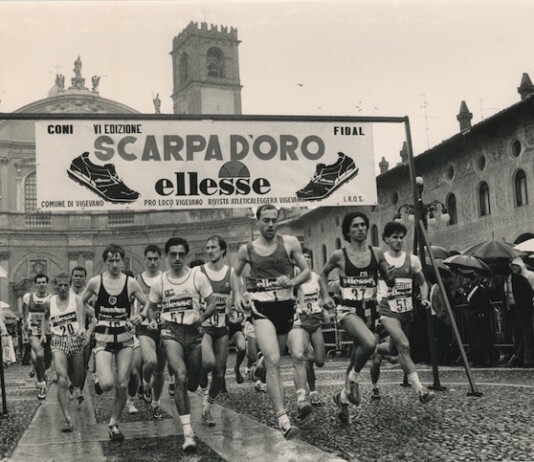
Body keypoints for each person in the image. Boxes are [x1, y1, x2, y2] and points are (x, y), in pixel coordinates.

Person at [233, 204, 310, 439]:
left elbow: (306, 271)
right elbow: (236, 273)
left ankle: (260, 365)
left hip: (285, 307)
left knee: (278, 357)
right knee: (274, 360)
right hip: (261, 308)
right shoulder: (247, 249)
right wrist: (237, 295)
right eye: (265, 220)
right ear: (257, 222)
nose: (270, 224)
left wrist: (293, 281)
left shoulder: (290, 243)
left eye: (274, 220)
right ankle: (283, 419)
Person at [320, 211, 395, 423]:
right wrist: (325, 296)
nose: (361, 229)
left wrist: (391, 277)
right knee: (370, 343)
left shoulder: (377, 253)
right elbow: (323, 275)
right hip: (347, 310)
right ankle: (353, 380)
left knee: (355, 357)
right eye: (355, 226)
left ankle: (342, 400)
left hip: (369, 311)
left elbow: (388, 278)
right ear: (347, 231)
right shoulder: (339, 255)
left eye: (363, 225)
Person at [144, 237, 216, 452]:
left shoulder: (197, 277)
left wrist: (201, 318)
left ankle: (193, 384)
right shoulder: (160, 282)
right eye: (173, 254)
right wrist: (152, 320)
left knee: (191, 384)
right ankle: (187, 433)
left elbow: (212, 304)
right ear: (167, 256)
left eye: (181, 254)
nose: (177, 258)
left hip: (193, 333)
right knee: (180, 377)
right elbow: (151, 307)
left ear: (186, 256)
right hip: (171, 332)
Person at [82, 244, 146, 441]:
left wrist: (141, 316)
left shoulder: (131, 283)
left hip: (125, 340)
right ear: (105, 262)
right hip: (103, 340)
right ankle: (99, 379)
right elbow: (80, 302)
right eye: (111, 260)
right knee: (108, 384)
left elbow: (148, 303)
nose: (115, 264)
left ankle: (114, 424)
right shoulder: (96, 282)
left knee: (122, 384)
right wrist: (92, 317)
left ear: (122, 261)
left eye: (118, 260)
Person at [376, 222, 435, 403]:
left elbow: (423, 282)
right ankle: (420, 390)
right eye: (395, 237)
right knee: (405, 345)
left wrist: (424, 297)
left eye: (401, 237)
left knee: (394, 350)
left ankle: (375, 348)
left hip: (406, 311)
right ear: (386, 239)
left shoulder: (413, 260)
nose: (399, 240)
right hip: (388, 311)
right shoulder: (380, 260)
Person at [41, 273, 86, 432]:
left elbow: (82, 317)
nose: (62, 288)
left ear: (69, 285)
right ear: (55, 286)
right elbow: (45, 317)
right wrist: (43, 333)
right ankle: (67, 417)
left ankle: (76, 388)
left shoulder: (77, 299)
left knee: (78, 378)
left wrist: (82, 329)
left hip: (75, 341)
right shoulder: (50, 302)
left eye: (65, 285)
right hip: (58, 341)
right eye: (59, 285)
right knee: (62, 379)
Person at [196, 236, 233, 426]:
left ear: (223, 250)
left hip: (222, 328)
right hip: (204, 327)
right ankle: (201, 373)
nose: (210, 251)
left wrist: (238, 308)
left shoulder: (231, 274)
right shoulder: (199, 271)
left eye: (214, 247)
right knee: (209, 363)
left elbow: (236, 298)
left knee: (219, 372)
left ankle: (207, 409)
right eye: (208, 247)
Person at [287, 247, 328, 415]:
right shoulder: (295, 280)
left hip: (316, 320)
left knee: (320, 360)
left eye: (308, 257)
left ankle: (309, 374)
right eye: (303, 257)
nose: (307, 260)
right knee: (306, 358)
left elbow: (323, 298)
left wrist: (324, 308)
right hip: (301, 321)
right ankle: (311, 392)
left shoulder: (317, 278)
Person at [134, 245, 166, 418]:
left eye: (155, 259)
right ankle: (145, 382)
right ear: (145, 259)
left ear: (160, 260)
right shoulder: (137, 280)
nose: (153, 262)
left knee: (160, 371)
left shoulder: (166, 279)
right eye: (149, 259)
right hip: (145, 327)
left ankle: (156, 403)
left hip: (164, 327)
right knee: (151, 362)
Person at [22, 273, 52, 400]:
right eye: (39, 282)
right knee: (39, 355)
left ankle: (37, 368)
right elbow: (24, 310)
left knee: (47, 363)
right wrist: (25, 323)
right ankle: (42, 385)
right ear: (35, 284)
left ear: (47, 284)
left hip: (49, 333)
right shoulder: (28, 297)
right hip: (33, 332)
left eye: (43, 282)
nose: (41, 284)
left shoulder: (52, 298)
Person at [506, 257, 534, 367]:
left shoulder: (529, 276)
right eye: (512, 266)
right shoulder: (511, 279)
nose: (514, 268)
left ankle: (529, 357)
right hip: (516, 309)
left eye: (516, 266)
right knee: (518, 333)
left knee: (526, 332)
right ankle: (520, 356)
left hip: (525, 308)